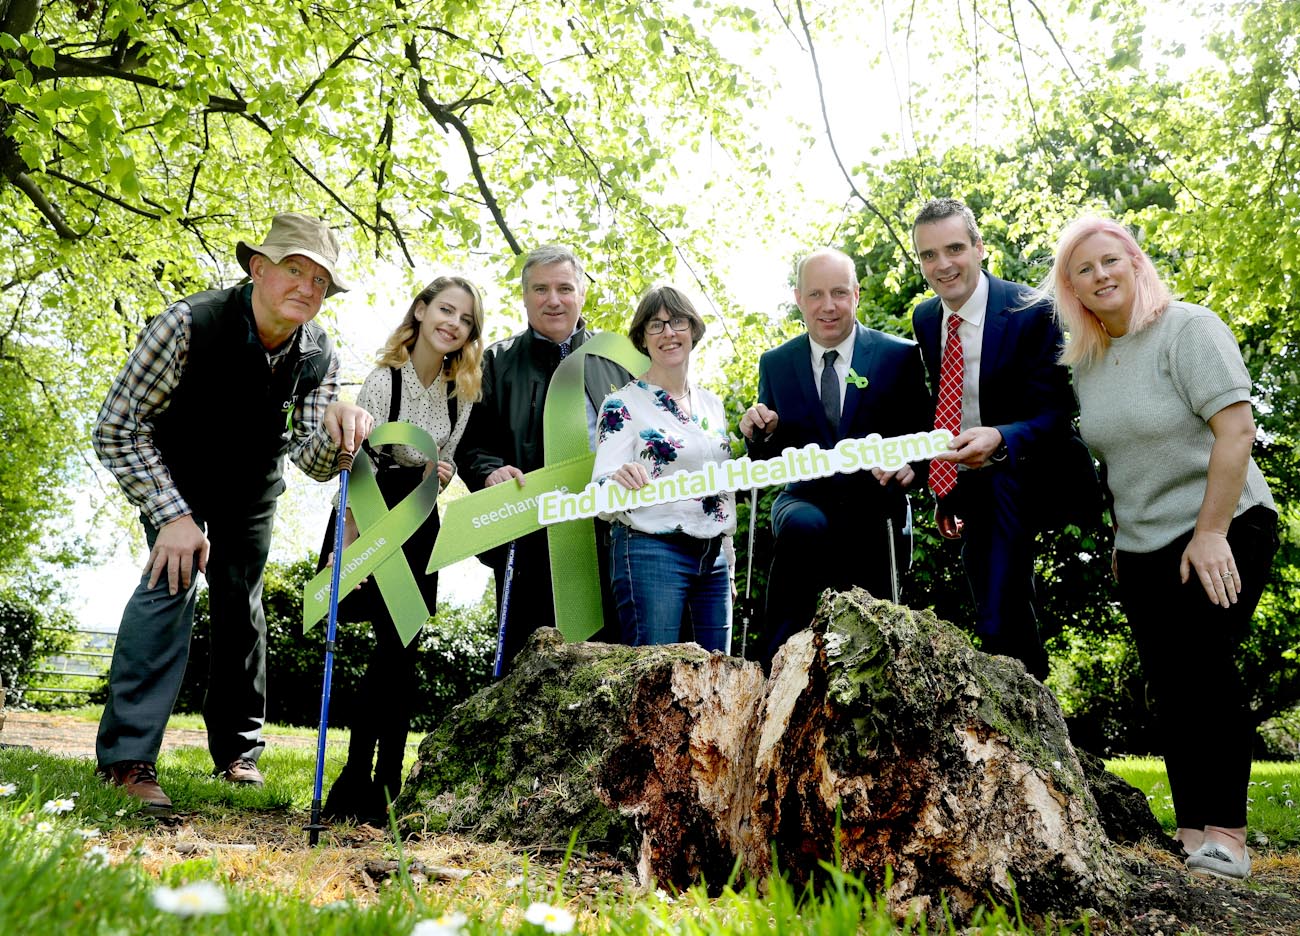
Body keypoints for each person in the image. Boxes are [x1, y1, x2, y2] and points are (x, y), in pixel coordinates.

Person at [92, 212, 373, 809]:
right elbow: (117, 427)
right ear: (257, 267)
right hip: (175, 471)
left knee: (241, 597)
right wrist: (171, 515)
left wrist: (342, 427)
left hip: (252, 484)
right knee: (172, 581)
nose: (307, 288)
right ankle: (128, 760)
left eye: (321, 281)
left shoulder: (320, 354)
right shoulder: (186, 324)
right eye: (294, 270)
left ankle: (238, 752)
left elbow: (315, 460)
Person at [1045, 215, 1278, 881]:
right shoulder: (1087, 362)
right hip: (1143, 544)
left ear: (1136, 262)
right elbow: (1118, 460)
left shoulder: (1189, 328)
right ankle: (1192, 835)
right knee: (1170, 689)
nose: (1102, 275)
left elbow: (1235, 432)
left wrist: (1209, 534)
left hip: (1225, 523)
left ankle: (1228, 838)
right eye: (1085, 270)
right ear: (1073, 289)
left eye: (1112, 260)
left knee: (1205, 668)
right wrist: (1123, 537)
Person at [322, 275, 484, 824]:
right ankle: (351, 779)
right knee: (373, 652)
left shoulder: (460, 394)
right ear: (420, 310)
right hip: (370, 510)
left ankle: (388, 787)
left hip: (420, 521)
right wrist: (349, 551)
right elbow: (355, 466)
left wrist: (444, 472)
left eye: (465, 319)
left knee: (402, 653)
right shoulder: (382, 381)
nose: (453, 324)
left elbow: (444, 463)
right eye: (445, 310)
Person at [911, 198, 1091, 680]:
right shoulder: (927, 320)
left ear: (979, 247)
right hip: (972, 480)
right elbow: (947, 404)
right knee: (987, 590)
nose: (943, 265)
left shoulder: (1033, 310)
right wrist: (945, 485)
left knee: (1001, 600)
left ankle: (1022, 709)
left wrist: (1001, 437)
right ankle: (1025, 703)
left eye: (954, 248)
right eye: (929, 255)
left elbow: (1058, 414)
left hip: (1028, 469)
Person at [740, 248, 931, 669]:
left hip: (873, 503)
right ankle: (779, 665)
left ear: (857, 295)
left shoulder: (899, 356)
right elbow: (765, 455)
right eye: (816, 294)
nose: (828, 306)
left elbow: (924, 444)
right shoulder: (776, 363)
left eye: (839, 293)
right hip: (804, 500)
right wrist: (759, 430)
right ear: (799, 298)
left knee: (872, 626)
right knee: (805, 527)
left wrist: (910, 468)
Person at [458, 245, 632, 669]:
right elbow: (469, 441)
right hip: (528, 535)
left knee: (602, 664)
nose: (553, 300)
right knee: (526, 664)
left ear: (582, 295)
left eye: (564, 288)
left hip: (606, 536)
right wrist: (488, 472)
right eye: (540, 289)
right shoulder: (493, 363)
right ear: (524, 296)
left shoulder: (619, 360)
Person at [593, 286, 735, 651]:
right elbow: (601, 493)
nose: (669, 333)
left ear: (694, 329)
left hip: (714, 560)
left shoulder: (712, 405)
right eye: (656, 325)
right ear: (642, 338)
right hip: (651, 552)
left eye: (677, 322)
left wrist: (729, 563)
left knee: (720, 679)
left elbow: (722, 490)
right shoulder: (621, 404)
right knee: (653, 681)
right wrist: (618, 480)